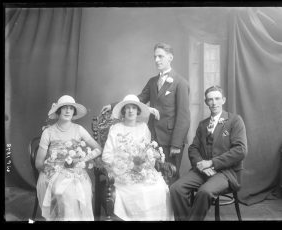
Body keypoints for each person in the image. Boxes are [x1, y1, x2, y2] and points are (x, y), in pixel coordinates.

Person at [101, 42, 190, 184]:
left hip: (170, 140)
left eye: (160, 56)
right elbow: (138, 99)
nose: (157, 60)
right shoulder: (152, 81)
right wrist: (113, 106)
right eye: (155, 57)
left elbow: (184, 117)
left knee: (170, 177)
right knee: (153, 177)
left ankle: (171, 207)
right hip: (153, 138)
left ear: (170, 57)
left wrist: (176, 144)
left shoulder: (181, 83)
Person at [170, 86, 248, 221]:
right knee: (176, 188)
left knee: (204, 192)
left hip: (226, 173)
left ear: (223, 100)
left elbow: (240, 150)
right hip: (203, 171)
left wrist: (212, 163)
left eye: (217, 98)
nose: (214, 103)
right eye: (210, 99)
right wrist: (201, 165)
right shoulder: (202, 124)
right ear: (206, 102)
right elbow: (193, 148)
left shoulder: (235, 120)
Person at [102, 94, 174, 221]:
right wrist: (123, 164)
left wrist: (143, 165)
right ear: (123, 111)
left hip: (141, 170)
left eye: (134, 108)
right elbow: (107, 155)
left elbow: (147, 152)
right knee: (139, 191)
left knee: (159, 188)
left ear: (138, 111)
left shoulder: (143, 127)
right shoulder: (116, 128)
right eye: (127, 108)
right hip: (122, 171)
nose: (130, 111)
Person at [35, 95, 102, 221]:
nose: (67, 111)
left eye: (71, 108)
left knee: (85, 190)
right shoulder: (48, 132)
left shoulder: (79, 129)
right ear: (58, 111)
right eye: (64, 108)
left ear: (74, 112)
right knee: (66, 193)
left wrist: (84, 159)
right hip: (54, 171)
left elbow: (98, 148)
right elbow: (39, 163)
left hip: (75, 171)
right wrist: (56, 165)